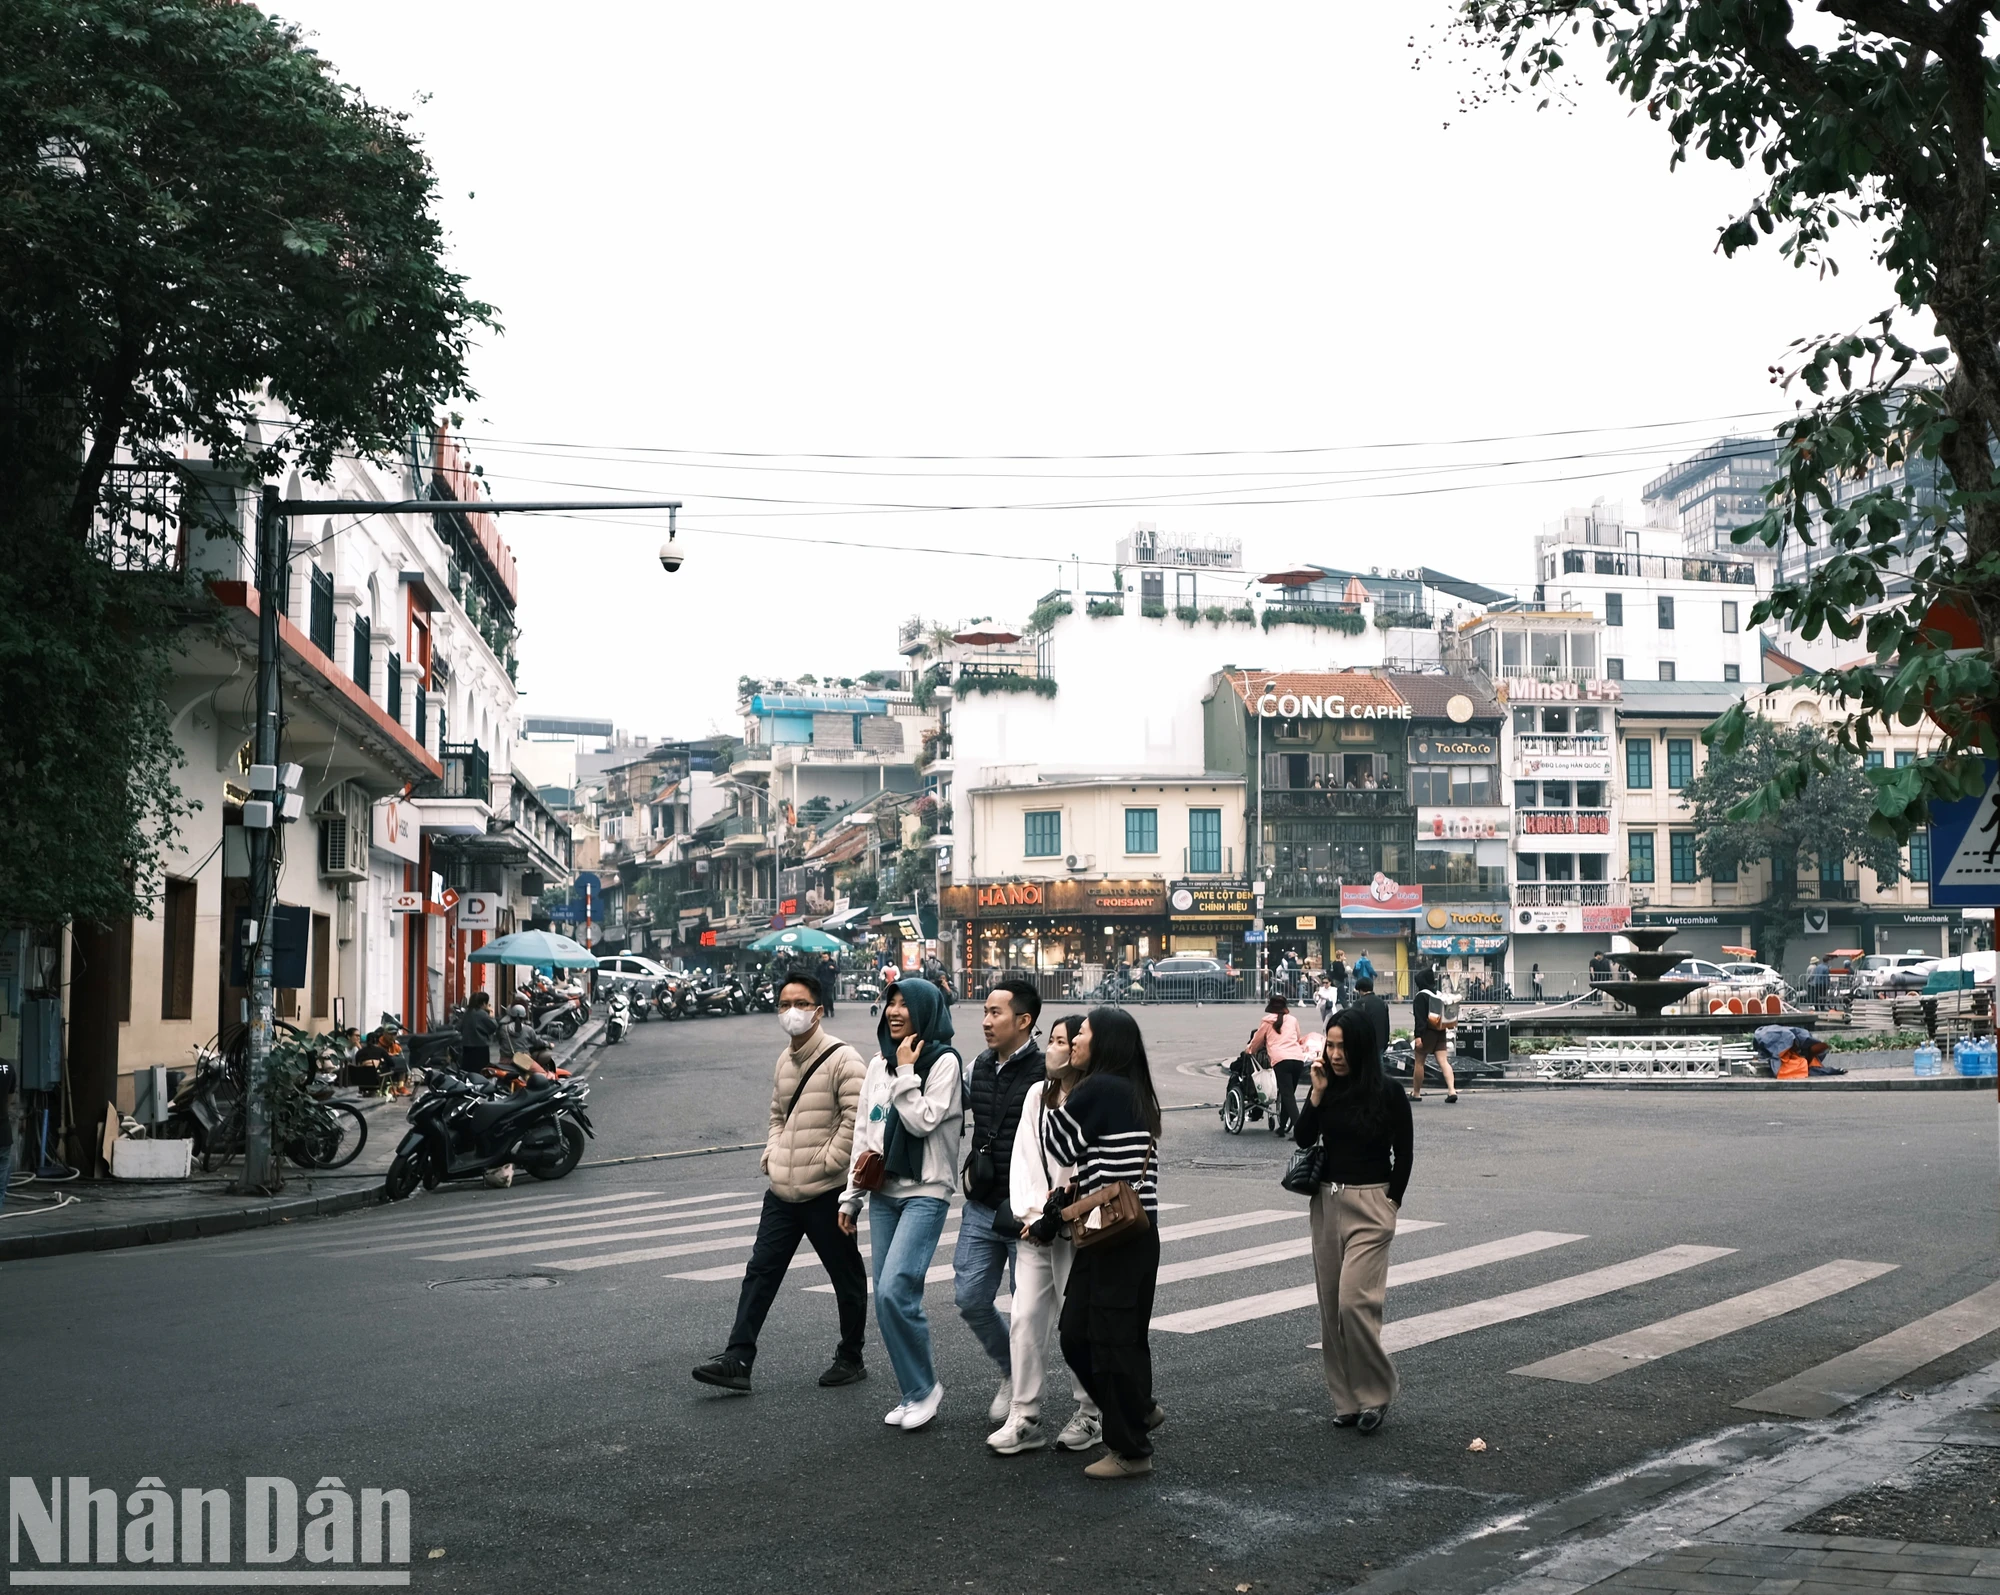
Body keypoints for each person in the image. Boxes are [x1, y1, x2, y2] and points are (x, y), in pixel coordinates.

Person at [692, 973, 870, 1394]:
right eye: (785, 1003)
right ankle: (738, 1358)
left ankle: (851, 1356)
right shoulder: (783, 1060)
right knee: (760, 1272)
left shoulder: (844, 1059)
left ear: (818, 1010)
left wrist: (827, 1164)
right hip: (782, 1192)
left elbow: (857, 1121)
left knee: (844, 1275)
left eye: (801, 1003)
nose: (792, 1011)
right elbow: (777, 1115)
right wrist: (772, 1154)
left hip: (824, 1192)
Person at [1044, 1007, 1165, 1480]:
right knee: (1104, 1336)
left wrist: (1060, 1081)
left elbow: (1056, 1147)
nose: (1074, 1038)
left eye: (1084, 1032)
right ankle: (1138, 1409)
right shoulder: (1133, 1088)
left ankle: (1131, 1450)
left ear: (1105, 1043)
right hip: (1131, 1232)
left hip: (1111, 1234)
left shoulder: (1098, 1087)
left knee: (1101, 1340)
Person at [837, 977, 963, 1432]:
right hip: (883, 1192)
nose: (893, 1012)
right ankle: (914, 1391)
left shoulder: (944, 1063)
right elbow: (865, 1134)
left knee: (896, 1289)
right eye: (889, 1003)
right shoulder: (877, 1064)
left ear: (925, 1011)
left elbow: (922, 1119)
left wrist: (908, 1072)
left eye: (904, 1005)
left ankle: (925, 1388)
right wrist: (850, 1198)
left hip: (926, 1190)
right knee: (885, 1298)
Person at [1295, 1005, 1412, 1434]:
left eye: (1344, 1046)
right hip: (1327, 1203)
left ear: (1362, 1048)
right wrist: (1316, 1093)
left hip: (1371, 1205)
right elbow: (1304, 1137)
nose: (1336, 1053)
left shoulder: (1390, 1094)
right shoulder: (1327, 1087)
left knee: (1353, 1304)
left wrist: (1391, 1203)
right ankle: (1347, 1399)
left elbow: (1405, 1154)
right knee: (1331, 1310)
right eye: (1331, 1044)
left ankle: (1376, 1393)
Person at [989, 1014, 1102, 1456]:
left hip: (1078, 1229)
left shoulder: (1094, 1095)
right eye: (1051, 1039)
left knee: (1077, 1325)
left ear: (1081, 1049)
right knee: (1025, 1319)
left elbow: (1088, 1168)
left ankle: (1091, 1412)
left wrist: (1059, 1216)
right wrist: (1032, 1215)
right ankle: (1025, 1415)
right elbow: (1025, 1158)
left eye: (1061, 1041)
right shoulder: (1039, 1093)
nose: (1051, 1048)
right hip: (1035, 1227)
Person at [956, 979, 1047, 1426]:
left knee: (1025, 1310)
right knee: (970, 1298)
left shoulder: (1048, 1071)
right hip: (981, 1202)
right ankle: (1011, 1371)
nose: (986, 1021)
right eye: (985, 1012)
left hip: (1025, 1211)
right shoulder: (977, 1067)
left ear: (1024, 1021)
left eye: (996, 1013)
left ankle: (1025, 1406)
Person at [1248, 994, 1312, 1135]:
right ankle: (1282, 1126)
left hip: (1281, 1060)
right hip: (1298, 1059)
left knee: (1287, 1095)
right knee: (1288, 1094)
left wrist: (1250, 1050)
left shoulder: (1266, 1022)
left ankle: (1299, 1130)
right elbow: (1298, 1037)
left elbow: (1257, 1041)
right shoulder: (1293, 1020)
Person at [1409, 964, 1456, 1104]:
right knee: (1443, 1062)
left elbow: (1420, 1018)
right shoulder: (1438, 994)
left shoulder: (1421, 997)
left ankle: (1416, 1093)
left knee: (1419, 1062)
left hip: (1426, 1033)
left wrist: (1418, 1036)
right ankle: (1452, 1090)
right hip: (1440, 1031)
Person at [1351, 976, 1392, 1074]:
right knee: (1379, 1066)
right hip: (1380, 1040)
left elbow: (1354, 1024)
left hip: (1365, 1042)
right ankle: (1381, 1085)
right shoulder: (1382, 1003)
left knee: (1364, 1069)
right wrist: (1386, 1040)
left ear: (1360, 990)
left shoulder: (1359, 1003)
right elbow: (1386, 1023)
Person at [457, 991, 500, 1071]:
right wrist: (492, 1015)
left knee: (468, 1069)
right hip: (480, 1046)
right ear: (483, 1003)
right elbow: (494, 1026)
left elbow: (459, 1027)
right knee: (481, 1070)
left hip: (467, 1045)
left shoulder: (467, 1013)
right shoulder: (482, 1014)